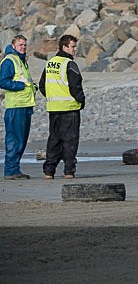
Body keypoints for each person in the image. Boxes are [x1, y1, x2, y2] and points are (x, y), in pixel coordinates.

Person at [39, 34, 85, 180]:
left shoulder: (50, 63)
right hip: (69, 108)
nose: (75, 49)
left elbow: (42, 85)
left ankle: (49, 171)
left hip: (54, 107)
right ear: (64, 47)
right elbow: (75, 86)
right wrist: (81, 101)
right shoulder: (69, 64)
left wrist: (52, 96)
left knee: (54, 140)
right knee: (70, 141)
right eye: (72, 46)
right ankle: (69, 171)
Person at [1, 35, 36, 179]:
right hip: (15, 106)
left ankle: (14, 169)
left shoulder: (21, 61)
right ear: (14, 46)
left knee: (21, 140)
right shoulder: (10, 60)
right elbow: (2, 81)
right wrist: (20, 86)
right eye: (21, 45)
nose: (23, 47)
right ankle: (10, 170)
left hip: (25, 104)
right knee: (15, 139)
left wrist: (32, 87)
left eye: (25, 45)